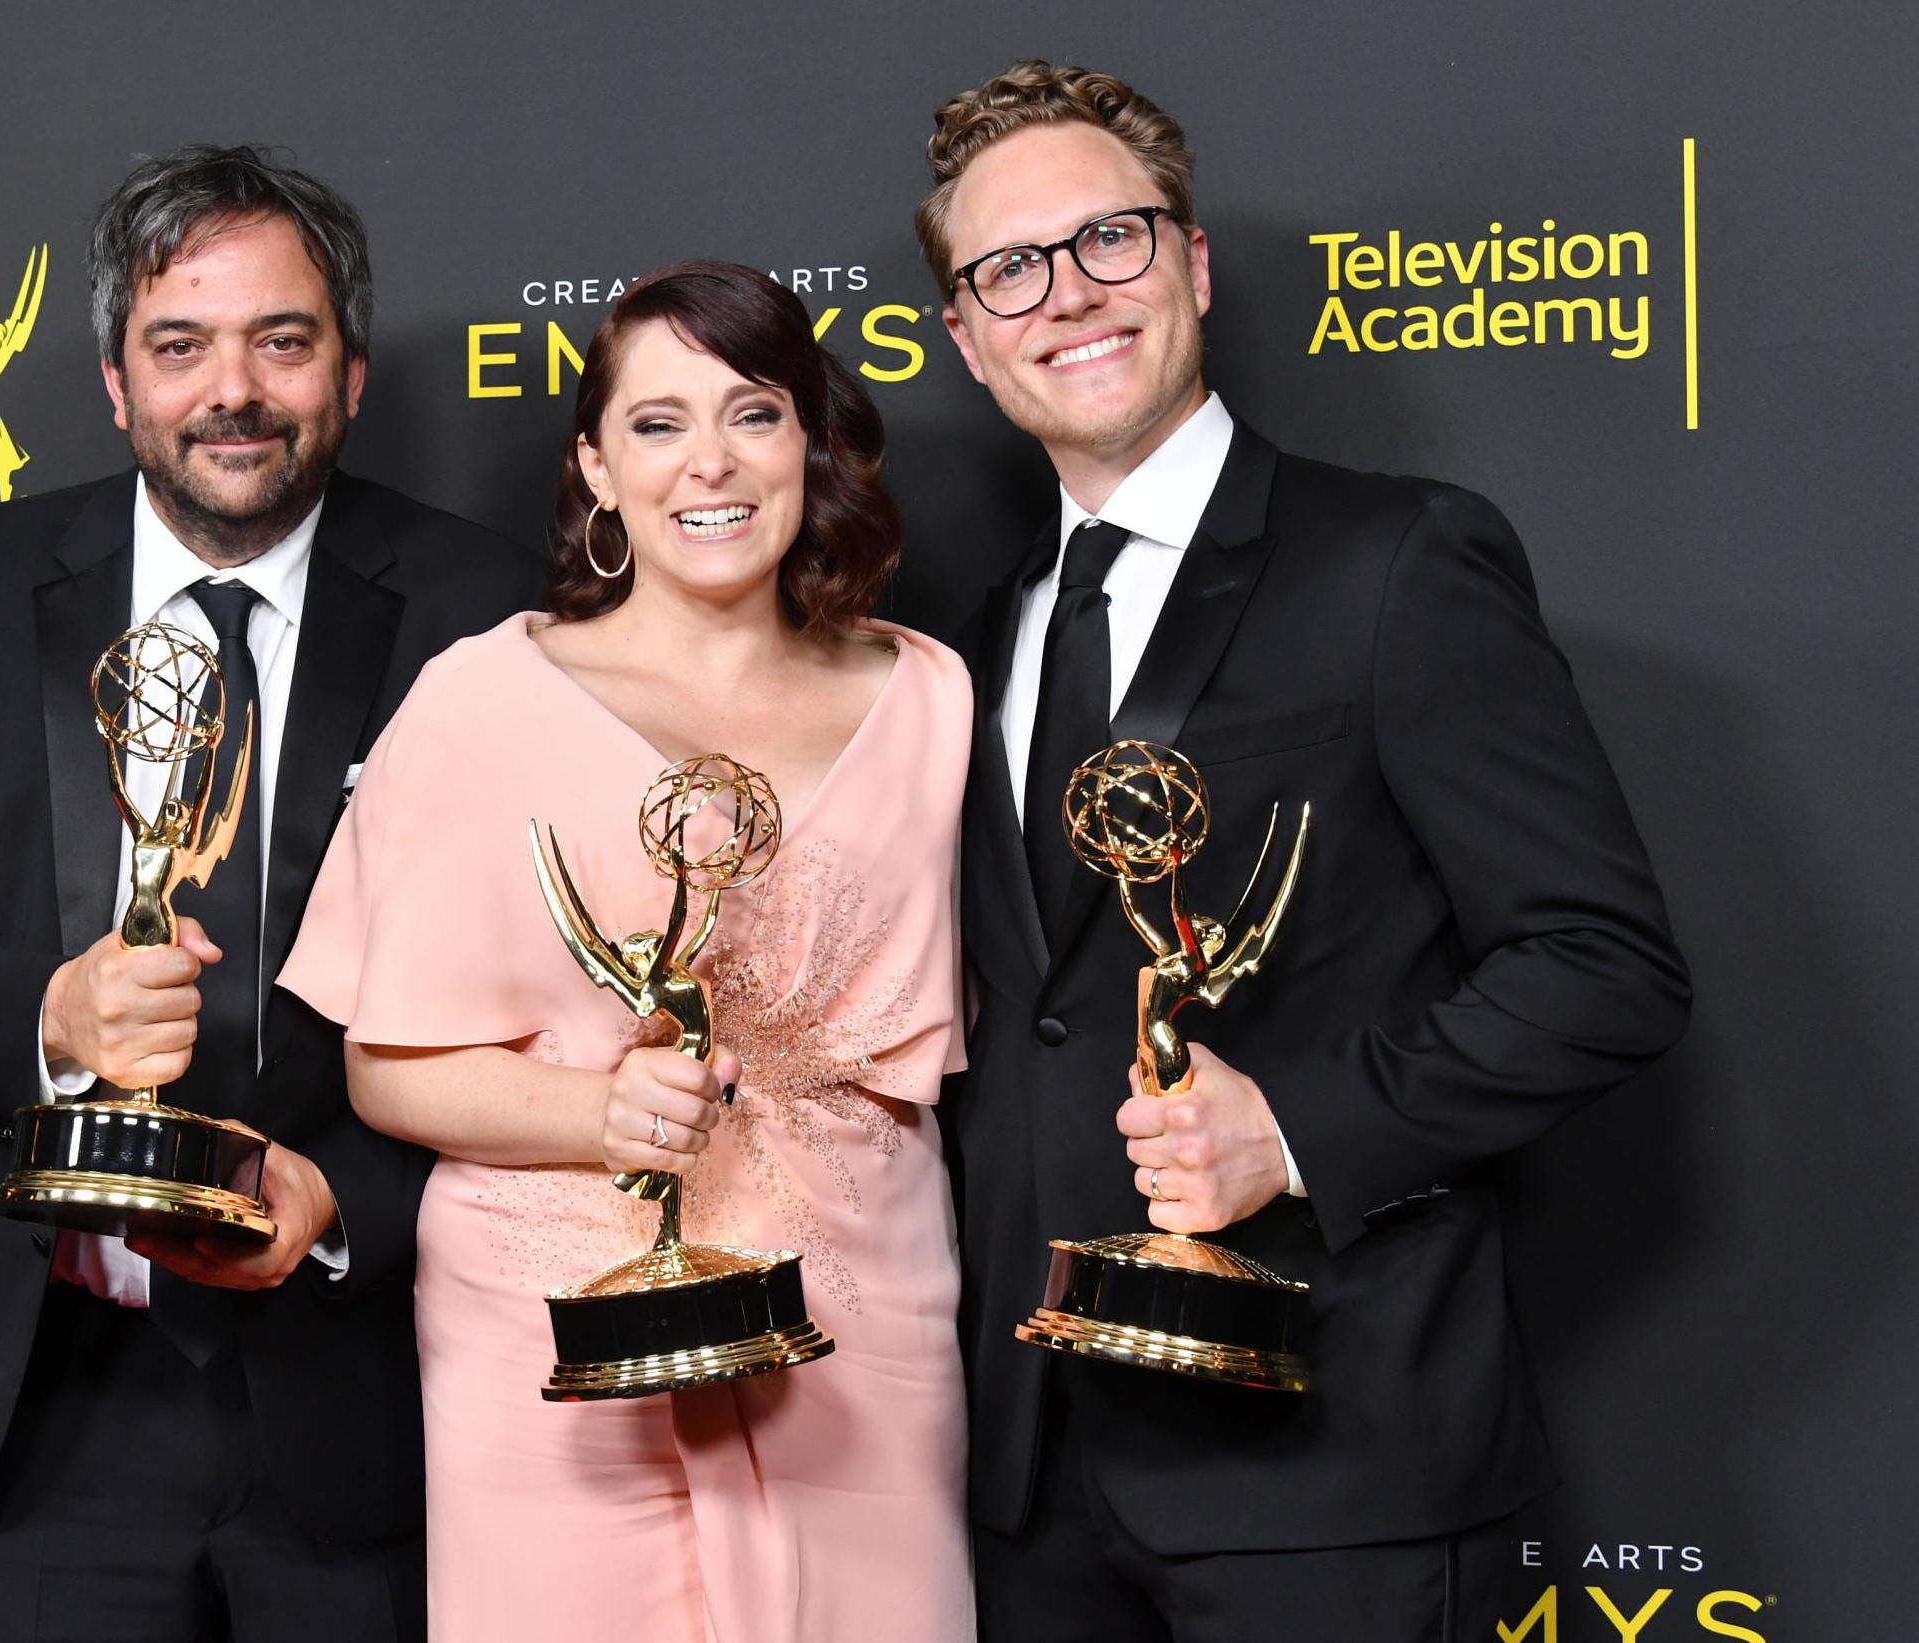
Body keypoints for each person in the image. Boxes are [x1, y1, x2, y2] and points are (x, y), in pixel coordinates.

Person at [918, 62, 1691, 1643]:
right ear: (967, 337)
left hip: (1327, 1466)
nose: (1066, 294)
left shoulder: (1398, 559)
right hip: (1030, 1477)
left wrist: (1301, 1131)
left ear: (1193, 267)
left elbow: (1602, 966)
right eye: (1009, 268)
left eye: (1109, 241)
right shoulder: (967, 640)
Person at [0, 145, 538, 1643]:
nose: (235, 389)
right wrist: (53, 1011)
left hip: (369, 1386)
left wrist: (348, 1195)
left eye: (282, 340)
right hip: (49, 1387)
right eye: (180, 344)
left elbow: (541, 1011)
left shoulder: (482, 610)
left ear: (346, 372)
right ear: (112, 382)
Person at [275, 261, 976, 1642]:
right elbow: (387, 1070)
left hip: (860, 1312)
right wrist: (596, 1111)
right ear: (595, 466)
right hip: (554, 1332)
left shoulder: (932, 696)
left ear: (811, 442)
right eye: (656, 425)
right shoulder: (483, 695)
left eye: (753, 413)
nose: (706, 463)